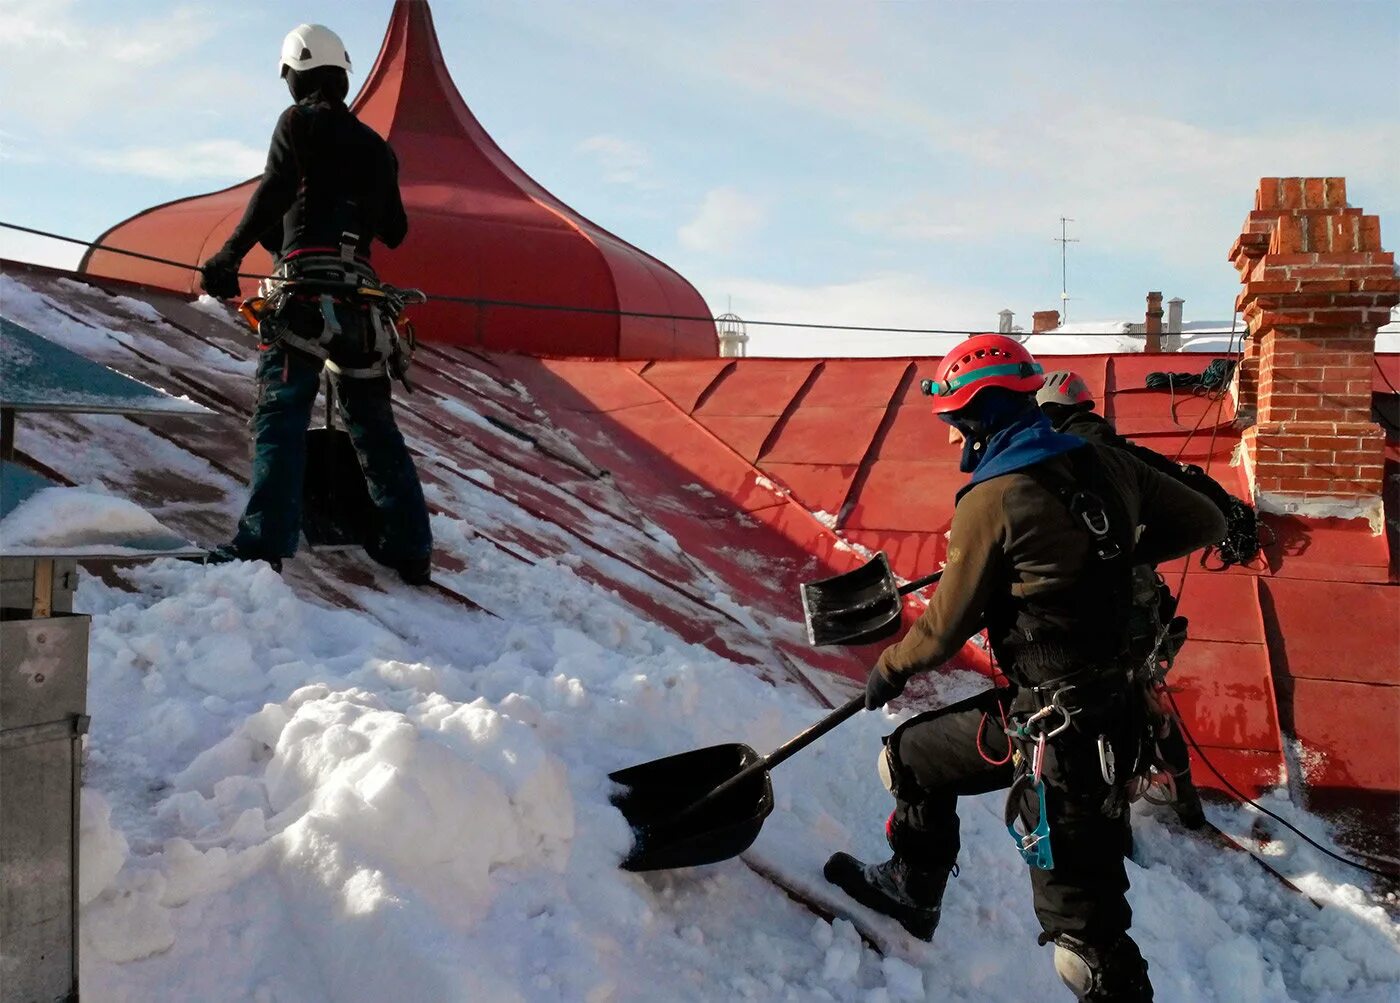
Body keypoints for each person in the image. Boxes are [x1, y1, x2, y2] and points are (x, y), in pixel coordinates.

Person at [824, 336, 1225, 1002]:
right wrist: (1114, 552)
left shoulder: (993, 499)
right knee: (911, 758)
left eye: (957, 426)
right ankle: (912, 888)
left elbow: (941, 630)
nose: (956, 443)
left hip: (1063, 742)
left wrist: (888, 670)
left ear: (982, 414)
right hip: (1083, 712)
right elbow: (1204, 517)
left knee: (1085, 941)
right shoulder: (1106, 462)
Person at [199, 23, 431, 585]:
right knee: (374, 426)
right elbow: (395, 231)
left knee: (281, 417)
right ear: (343, 76)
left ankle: (263, 544)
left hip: (304, 297)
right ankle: (408, 547)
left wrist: (226, 259)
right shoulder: (377, 148)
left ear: (296, 72)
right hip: (363, 308)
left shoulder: (298, 122)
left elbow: (276, 189)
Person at [1036, 369, 1258, 828]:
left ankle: (1112, 811)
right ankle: (1188, 807)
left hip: (1091, 615)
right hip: (1143, 609)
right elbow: (1199, 499)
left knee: (1097, 710)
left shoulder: (1053, 463)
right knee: (1147, 699)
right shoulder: (1130, 459)